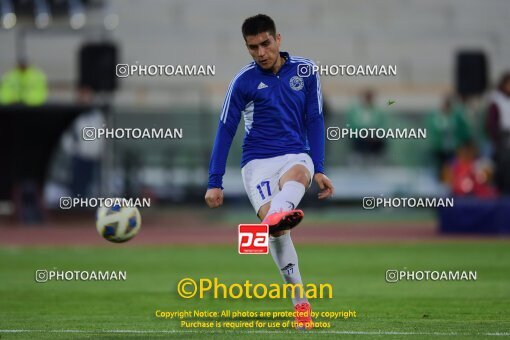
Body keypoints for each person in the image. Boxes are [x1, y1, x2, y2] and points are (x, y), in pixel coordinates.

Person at [204, 14, 334, 330]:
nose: (261, 53)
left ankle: (275, 217)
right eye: (252, 47)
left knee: (295, 179)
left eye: (265, 43)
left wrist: (319, 168)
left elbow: (315, 119)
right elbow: (225, 128)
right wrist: (214, 181)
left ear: (278, 39)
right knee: (278, 233)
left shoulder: (306, 71)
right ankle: (300, 301)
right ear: (247, 48)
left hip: (295, 155)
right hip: (257, 164)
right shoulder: (243, 82)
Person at [426, 95, 471, 181]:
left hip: (454, 148)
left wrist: (464, 142)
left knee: (453, 168)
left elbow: (463, 130)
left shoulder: (456, 117)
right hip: (439, 149)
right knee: (440, 168)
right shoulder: (436, 118)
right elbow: (432, 132)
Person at [486, 72, 510, 194]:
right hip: (503, 138)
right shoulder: (497, 100)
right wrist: (497, 138)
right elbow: (492, 123)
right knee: (503, 166)